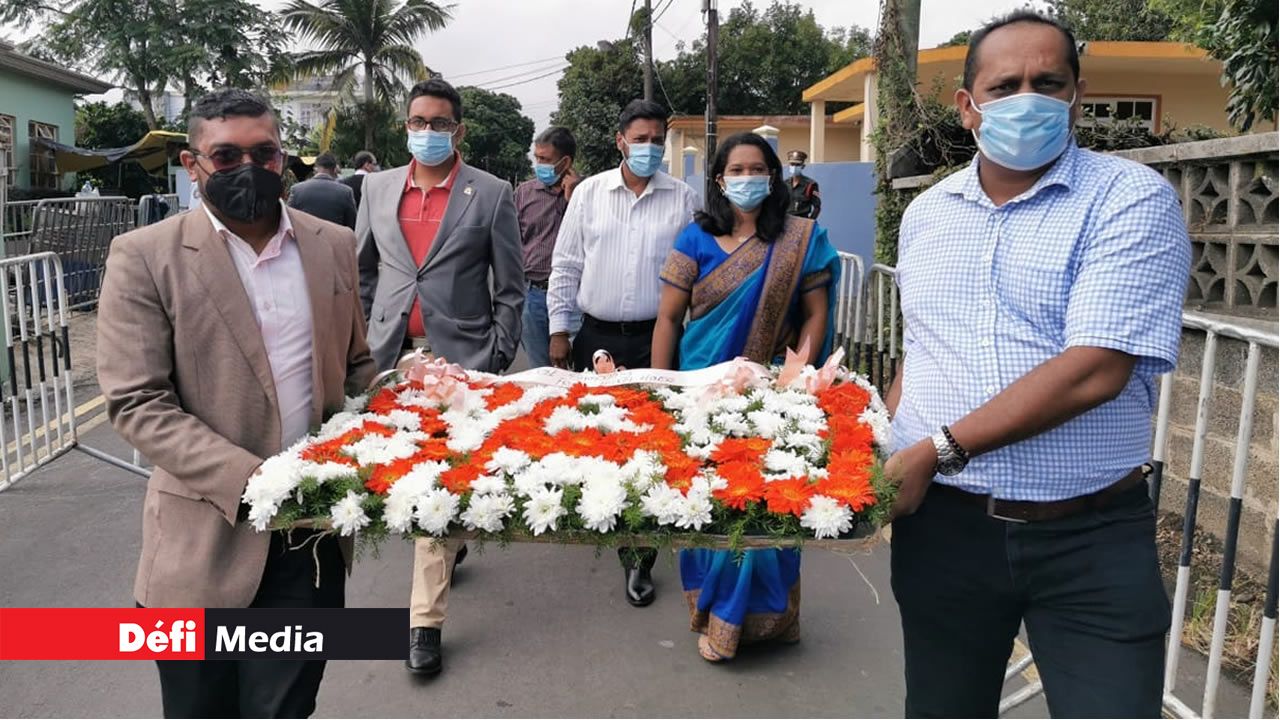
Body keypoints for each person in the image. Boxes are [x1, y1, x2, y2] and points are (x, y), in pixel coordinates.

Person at [884, 11, 1191, 718]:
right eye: (1006, 84)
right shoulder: (927, 216)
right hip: (946, 534)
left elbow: (1095, 369)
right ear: (968, 106)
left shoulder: (1129, 200)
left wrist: (937, 449)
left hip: (1088, 537)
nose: (1029, 99)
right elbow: (923, 350)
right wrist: (877, 447)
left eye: (1048, 82)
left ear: (1077, 93)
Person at [96, 88, 377, 718]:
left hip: (308, 539)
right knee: (201, 711)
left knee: (284, 710)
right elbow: (137, 402)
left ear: (284, 160)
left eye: (264, 152)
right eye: (225, 156)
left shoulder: (331, 242)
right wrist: (254, 480)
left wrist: (407, 397)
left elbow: (355, 366)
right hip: (203, 538)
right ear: (193, 166)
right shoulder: (145, 257)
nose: (247, 168)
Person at [355, 77, 523, 678]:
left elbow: (510, 284)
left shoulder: (491, 192)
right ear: (406, 126)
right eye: (417, 122)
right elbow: (363, 270)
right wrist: (371, 341)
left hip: (463, 361)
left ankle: (424, 622)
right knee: (407, 475)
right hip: (393, 359)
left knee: (437, 480)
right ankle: (452, 537)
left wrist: (497, 354)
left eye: (439, 123)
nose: (426, 133)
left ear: (460, 130)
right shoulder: (374, 188)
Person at [652, 132, 839, 663]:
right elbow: (669, 318)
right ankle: (715, 612)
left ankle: (771, 620)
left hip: (770, 394)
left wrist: (799, 380)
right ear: (718, 179)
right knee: (709, 504)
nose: (748, 178)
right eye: (737, 170)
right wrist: (663, 391)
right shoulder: (694, 239)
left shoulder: (802, 237)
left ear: (774, 177)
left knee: (766, 501)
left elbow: (816, 314)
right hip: (700, 392)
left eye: (758, 169)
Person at [547, 98, 699, 608]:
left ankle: (640, 556)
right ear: (620, 141)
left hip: (658, 337)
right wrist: (559, 332)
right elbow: (566, 266)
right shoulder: (589, 194)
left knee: (654, 443)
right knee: (605, 438)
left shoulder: (683, 199)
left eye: (658, 139)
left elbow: (698, 269)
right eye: (641, 138)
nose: (650, 148)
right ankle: (607, 515)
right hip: (598, 336)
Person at [516, 127, 581, 368]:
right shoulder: (524, 193)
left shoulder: (587, 193)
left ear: (565, 162)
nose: (539, 164)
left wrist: (572, 199)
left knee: (576, 373)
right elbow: (511, 244)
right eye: (537, 158)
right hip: (533, 295)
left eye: (545, 159)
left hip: (574, 299)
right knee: (540, 371)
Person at [287, 152, 358, 229]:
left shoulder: (296, 189)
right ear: (334, 170)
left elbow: (288, 220)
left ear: (315, 168)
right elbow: (352, 224)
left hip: (304, 239)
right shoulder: (346, 192)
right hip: (334, 239)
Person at [785, 149, 821, 219]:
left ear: (803, 166)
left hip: (802, 221)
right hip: (786, 221)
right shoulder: (784, 184)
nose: (794, 167)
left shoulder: (811, 185)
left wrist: (809, 222)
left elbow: (817, 207)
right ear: (789, 165)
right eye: (792, 164)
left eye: (797, 164)